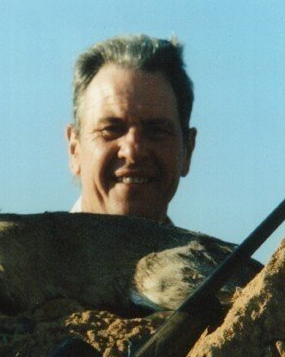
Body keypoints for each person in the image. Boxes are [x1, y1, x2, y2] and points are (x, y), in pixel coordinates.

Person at [67, 34, 197, 223]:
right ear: (74, 150)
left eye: (156, 131)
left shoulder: (217, 253)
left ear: (187, 151)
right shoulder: (16, 252)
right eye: (111, 129)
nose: (132, 152)